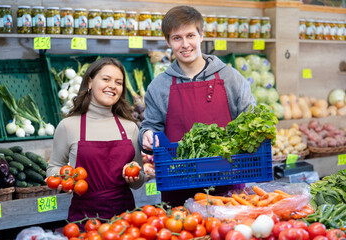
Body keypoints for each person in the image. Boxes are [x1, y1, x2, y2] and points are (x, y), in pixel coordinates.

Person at [138, 6, 255, 207]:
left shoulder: (230, 78)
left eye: (190, 35)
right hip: (178, 188)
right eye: (177, 38)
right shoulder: (158, 86)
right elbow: (150, 126)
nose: (185, 44)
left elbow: (251, 118)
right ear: (168, 41)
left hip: (229, 188)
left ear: (201, 35)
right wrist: (146, 135)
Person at [47, 57, 145, 225]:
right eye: (106, 79)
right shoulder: (68, 126)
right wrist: (62, 179)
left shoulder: (131, 128)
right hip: (85, 221)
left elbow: (139, 179)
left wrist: (135, 177)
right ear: (90, 82)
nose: (112, 86)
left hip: (126, 221)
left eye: (118, 82)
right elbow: (53, 167)